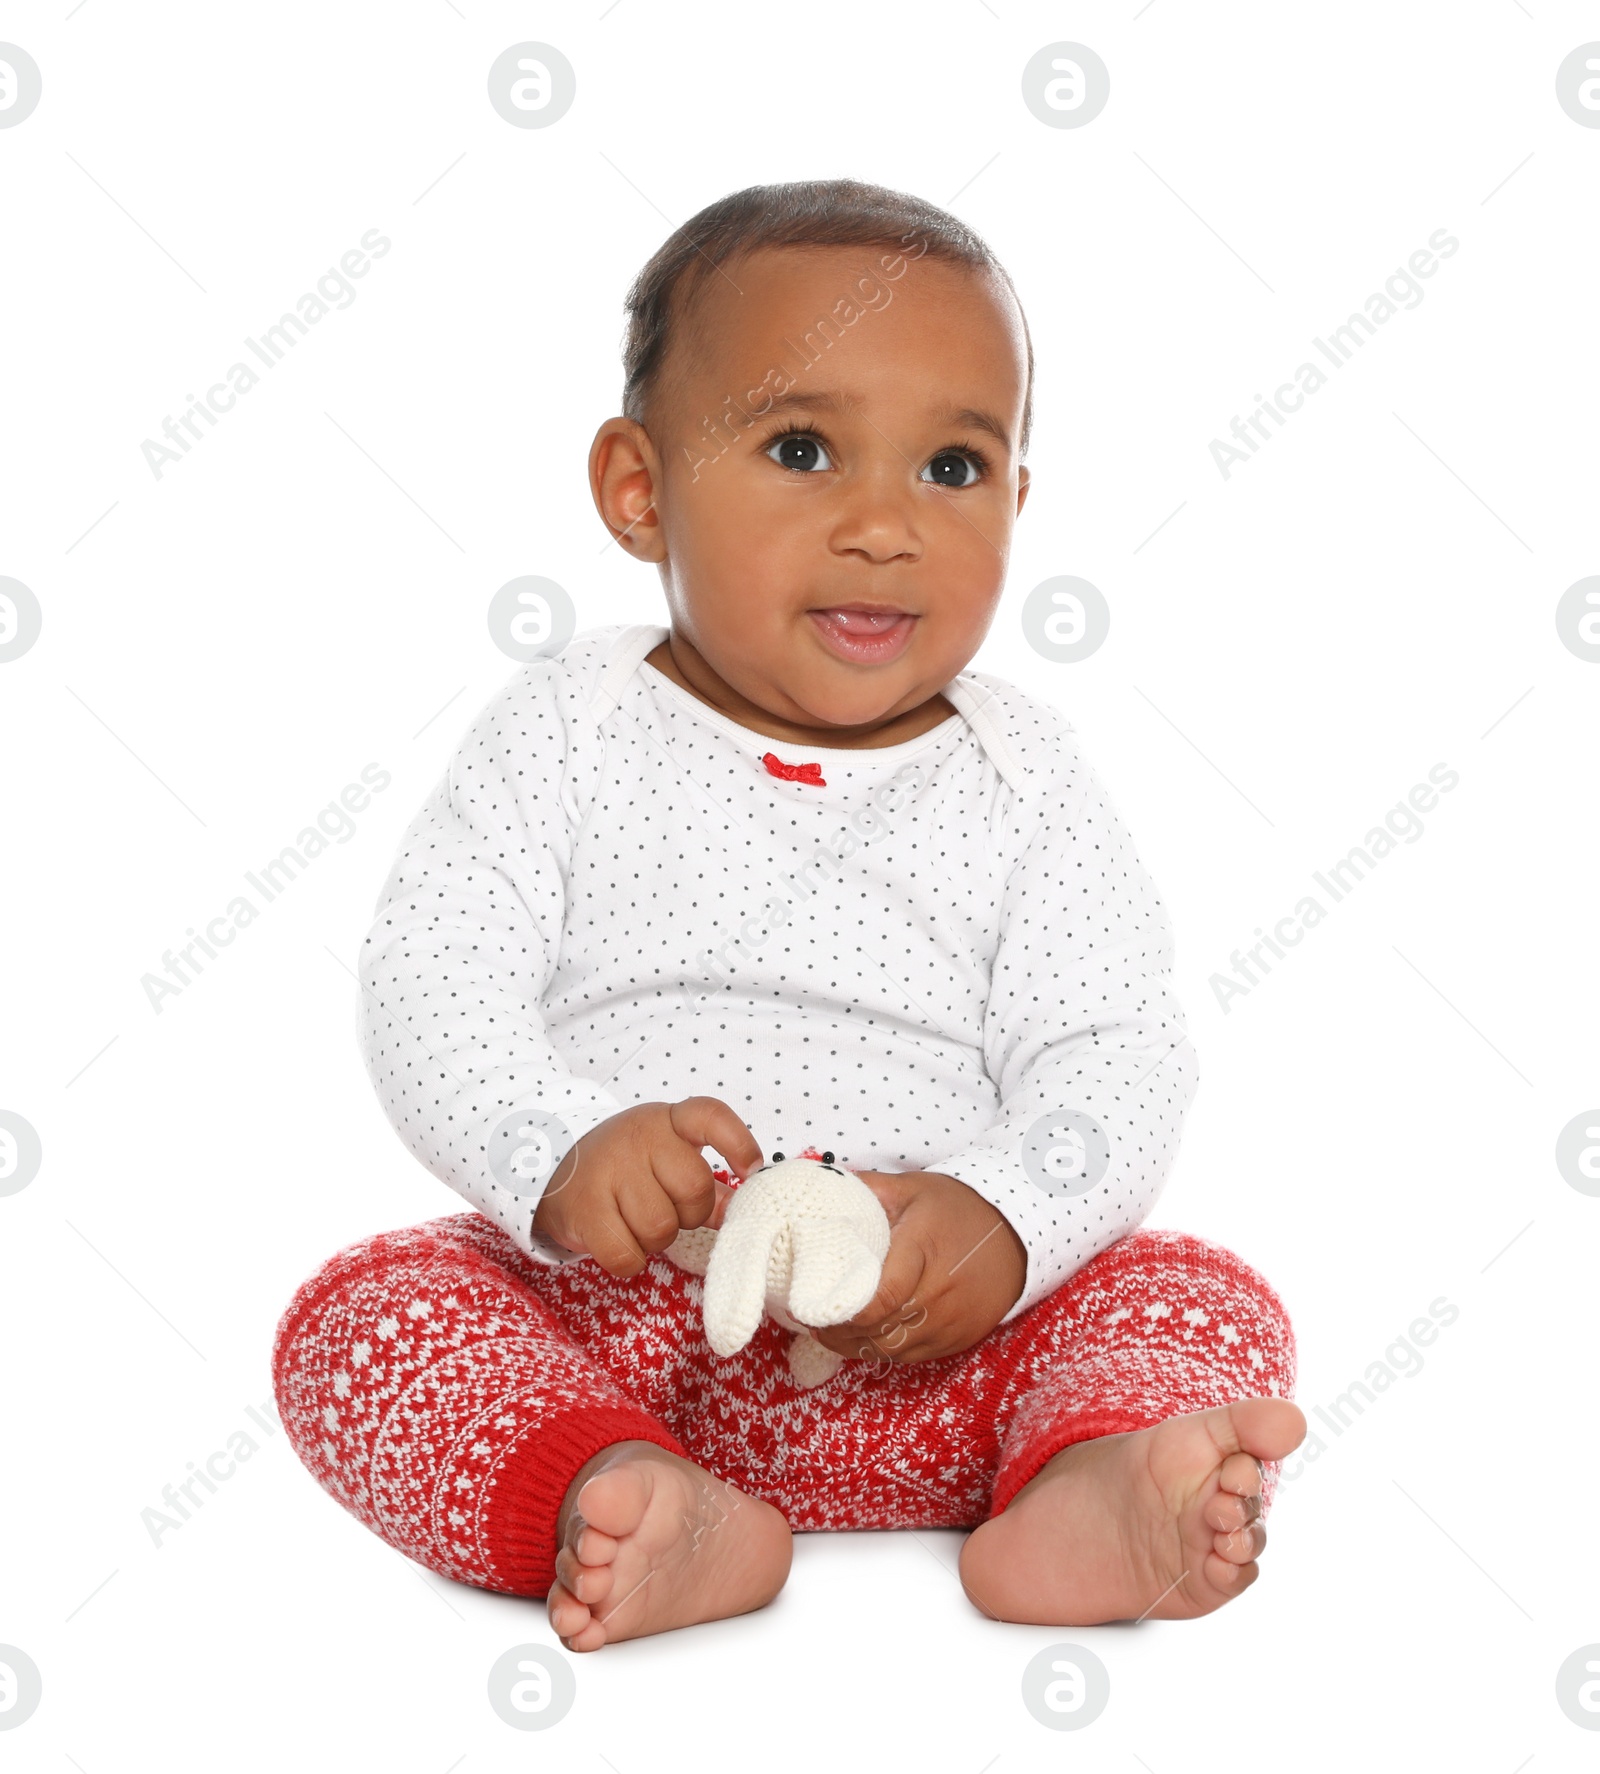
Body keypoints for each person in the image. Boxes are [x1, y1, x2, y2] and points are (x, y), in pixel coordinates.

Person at [271, 177, 1306, 1653]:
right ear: (642, 491)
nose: (884, 525)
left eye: (954, 467)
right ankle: (623, 1489)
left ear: (1019, 502)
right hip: (624, 1323)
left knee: (1196, 1291)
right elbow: (436, 975)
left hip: (942, 1355)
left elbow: (1119, 1047)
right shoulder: (572, 728)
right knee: (370, 1311)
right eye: (803, 449)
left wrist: (1008, 1220)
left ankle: (1082, 1490)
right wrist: (559, 1150)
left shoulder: (1024, 774)